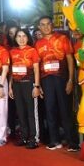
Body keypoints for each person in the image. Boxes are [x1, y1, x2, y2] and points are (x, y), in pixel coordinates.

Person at [35, 16, 78, 151]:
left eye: (48, 24)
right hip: (46, 79)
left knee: (65, 109)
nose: (46, 27)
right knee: (50, 109)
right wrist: (39, 85)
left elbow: (70, 59)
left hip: (62, 78)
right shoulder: (38, 43)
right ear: (39, 27)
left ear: (52, 25)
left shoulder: (62, 39)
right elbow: (38, 65)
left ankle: (72, 142)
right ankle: (54, 140)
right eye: (42, 25)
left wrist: (70, 80)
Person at [9, 29, 41, 149]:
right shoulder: (12, 51)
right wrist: (10, 86)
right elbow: (11, 70)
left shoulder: (32, 51)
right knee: (21, 112)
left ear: (28, 38)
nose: (21, 39)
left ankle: (34, 138)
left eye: (24, 36)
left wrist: (36, 86)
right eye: (19, 36)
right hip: (17, 85)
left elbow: (36, 69)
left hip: (29, 84)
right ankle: (24, 136)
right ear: (15, 38)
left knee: (31, 112)